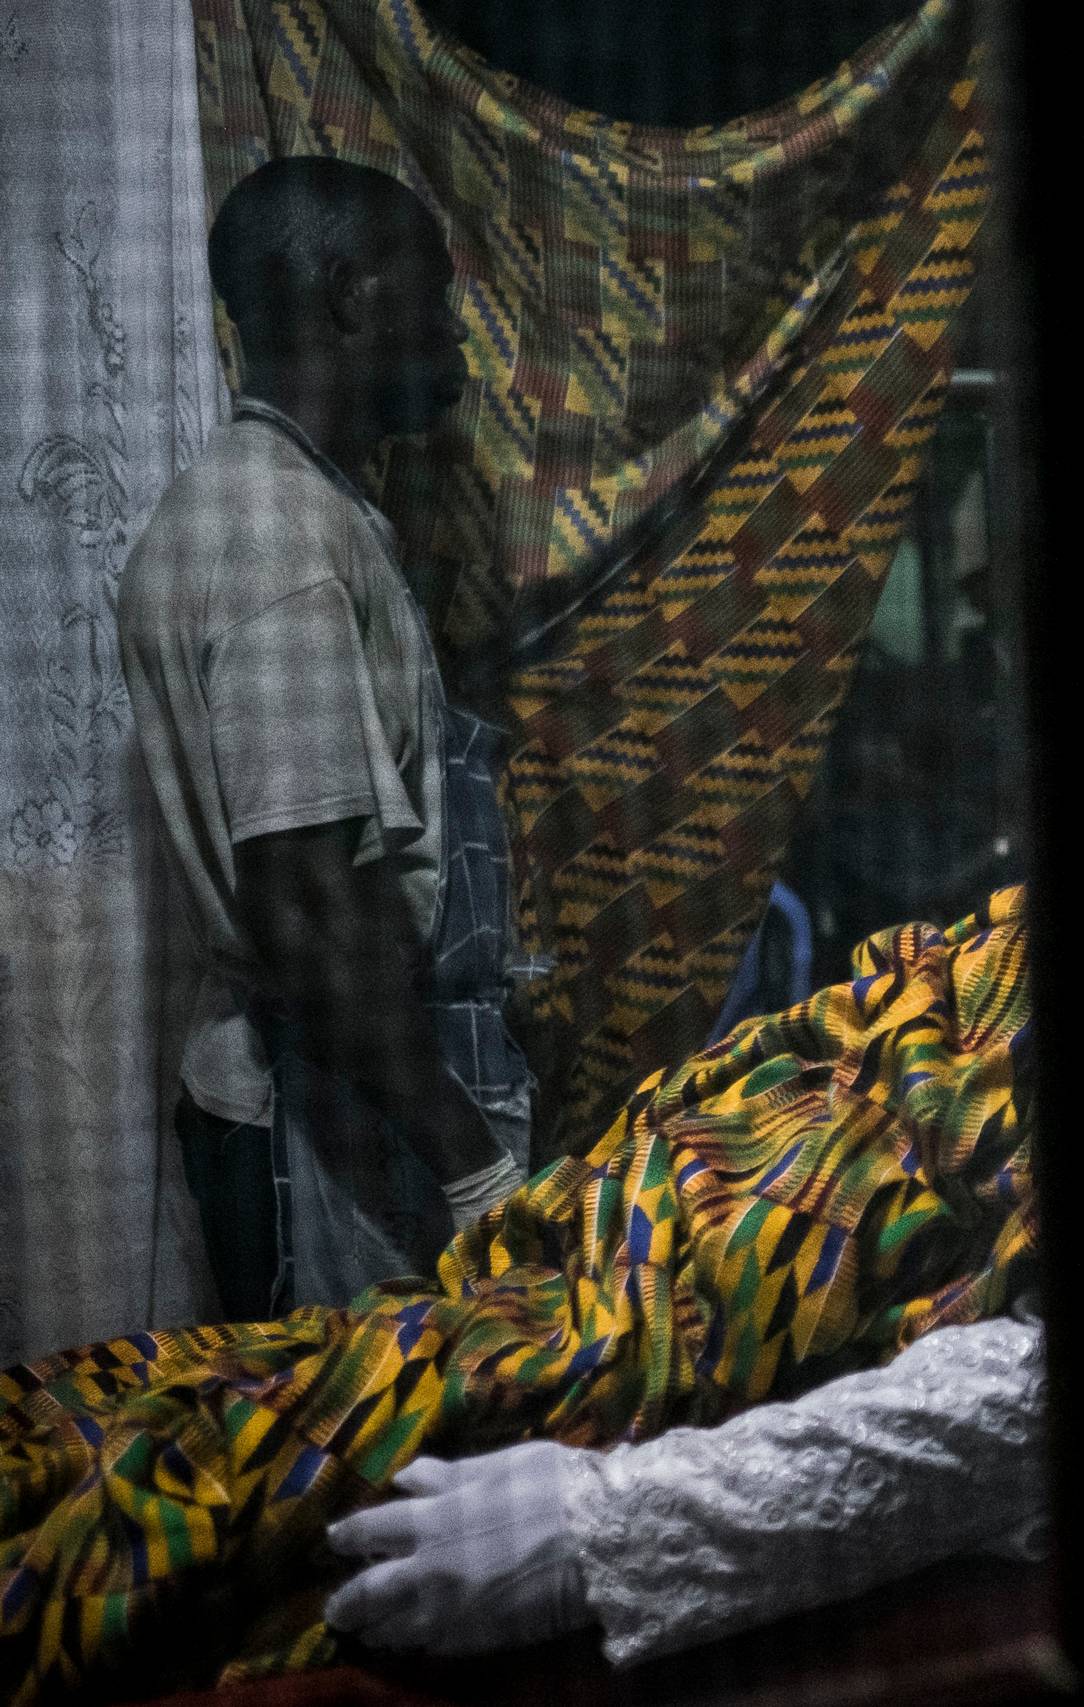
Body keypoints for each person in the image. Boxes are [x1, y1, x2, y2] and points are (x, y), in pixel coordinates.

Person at [0, 623, 1084, 1699]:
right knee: (144, 1412)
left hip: (654, 1360)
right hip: (586, 1274)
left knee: (170, 1500)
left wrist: (620, 1530)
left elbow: (1064, 1365)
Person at [117, 157, 533, 1318]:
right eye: (434, 296)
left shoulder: (277, 506)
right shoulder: (276, 540)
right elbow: (305, 905)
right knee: (373, 1428)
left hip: (344, 1095)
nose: (453, 334)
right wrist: (475, 1169)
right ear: (352, 295)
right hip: (334, 1134)